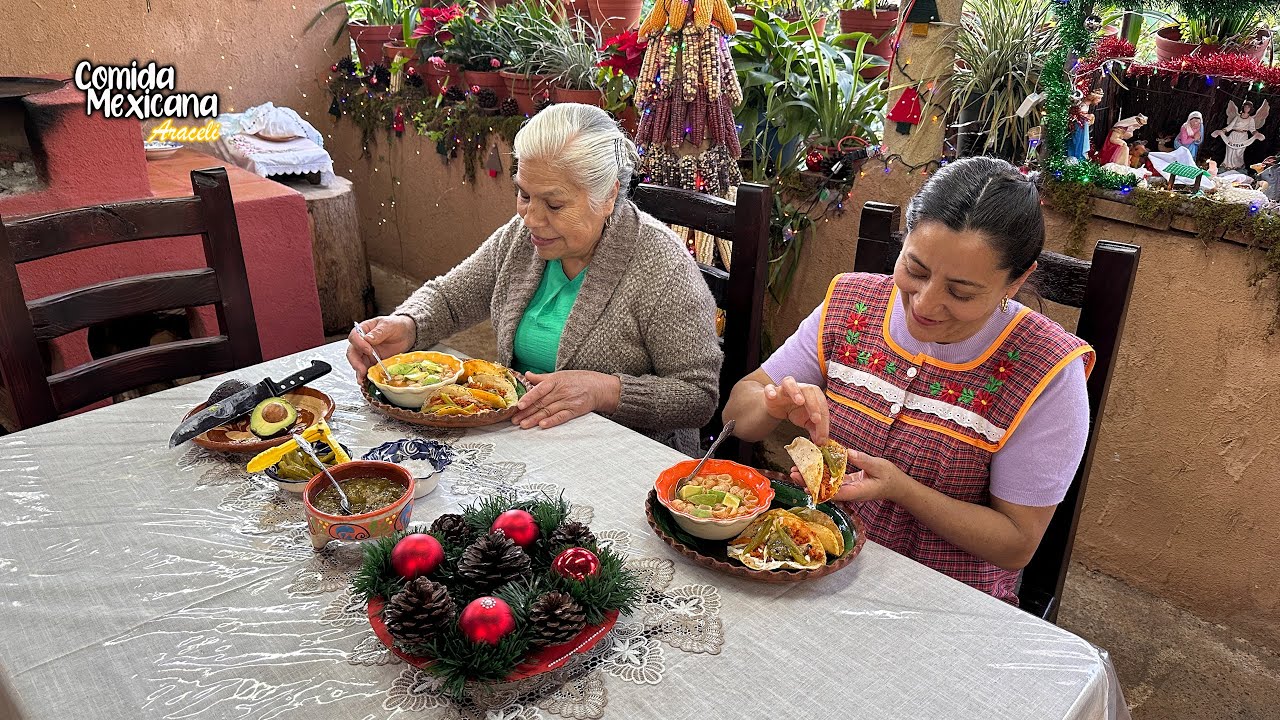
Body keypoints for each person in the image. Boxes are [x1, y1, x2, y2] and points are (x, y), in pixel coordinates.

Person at [722, 157, 1095, 604]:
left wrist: (902, 490)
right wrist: (771, 405)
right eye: (915, 270)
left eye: (961, 292)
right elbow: (736, 415)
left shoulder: (1047, 369)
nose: (926, 302)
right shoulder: (852, 303)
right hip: (812, 564)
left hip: (943, 600)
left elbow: (1016, 542)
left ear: (1017, 281)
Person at [347, 103, 722, 455]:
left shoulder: (661, 266)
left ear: (607, 195)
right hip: (527, 438)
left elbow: (697, 396)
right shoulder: (523, 238)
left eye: (554, 205)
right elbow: (450, 298)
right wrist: (407, 324)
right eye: (523, 195)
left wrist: (604, 391)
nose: (531, 218)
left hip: (625, 457)